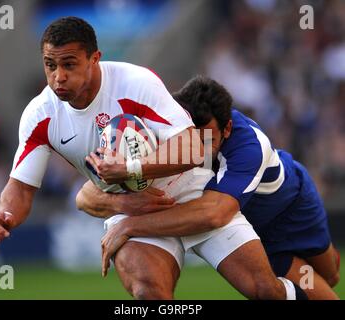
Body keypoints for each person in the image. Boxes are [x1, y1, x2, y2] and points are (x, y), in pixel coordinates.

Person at [0, 17, 301, 300]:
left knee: (264, 291)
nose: (58, 77)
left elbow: (193, 147)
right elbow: (22, 188)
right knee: (148, 293)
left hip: (190, 192)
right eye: (50, 65)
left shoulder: (135, 83)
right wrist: (6, 216)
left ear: (95, 59)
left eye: (69, 64)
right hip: (130, 210)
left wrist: (130, 168)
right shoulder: (40, 115)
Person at [83, 76, 340, 300]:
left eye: (207, 139)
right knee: (268, 291)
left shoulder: (249, 145)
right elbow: (85, 195)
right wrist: (120, 204)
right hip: (247, 222)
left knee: (330, 274)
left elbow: (214, 213)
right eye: (189, 136)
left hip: (288, 210)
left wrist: (129, 225)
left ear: (227, 128)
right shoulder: (163, 123)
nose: (195, 151)